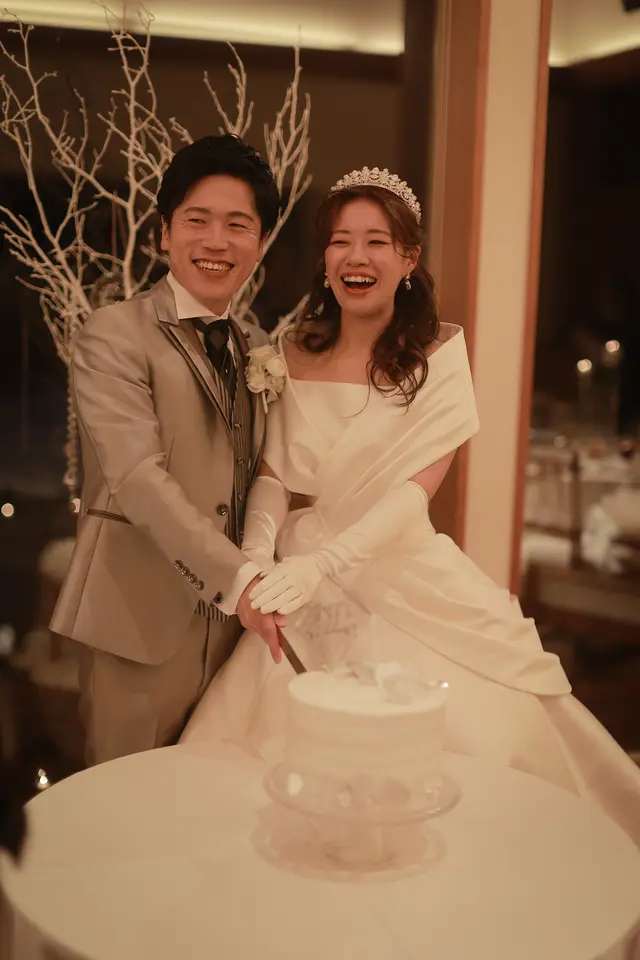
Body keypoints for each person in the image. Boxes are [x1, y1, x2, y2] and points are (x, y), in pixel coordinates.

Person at [181, 166, 640, 846]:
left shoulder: (439, 357)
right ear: (325, 258)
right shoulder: (287, 352)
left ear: (408, 259)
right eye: (341, 240)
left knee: (475, 742)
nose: (356, 256)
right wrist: (255, 558)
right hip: (300, 571)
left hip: (399, 569)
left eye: (376, 241)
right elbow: (274, 474)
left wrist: (323, 566)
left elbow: (412, 493)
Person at [51, 135, 285, 765]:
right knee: (123, 807)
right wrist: (240, 580)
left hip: (233, 638)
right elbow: (136, 475)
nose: (216, 241)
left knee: (210, 801)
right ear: (163, 233)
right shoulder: (113, 335)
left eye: (238, 225)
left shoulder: (259, 344)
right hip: (136, 626)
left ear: (261, 242)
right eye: (197, 220)